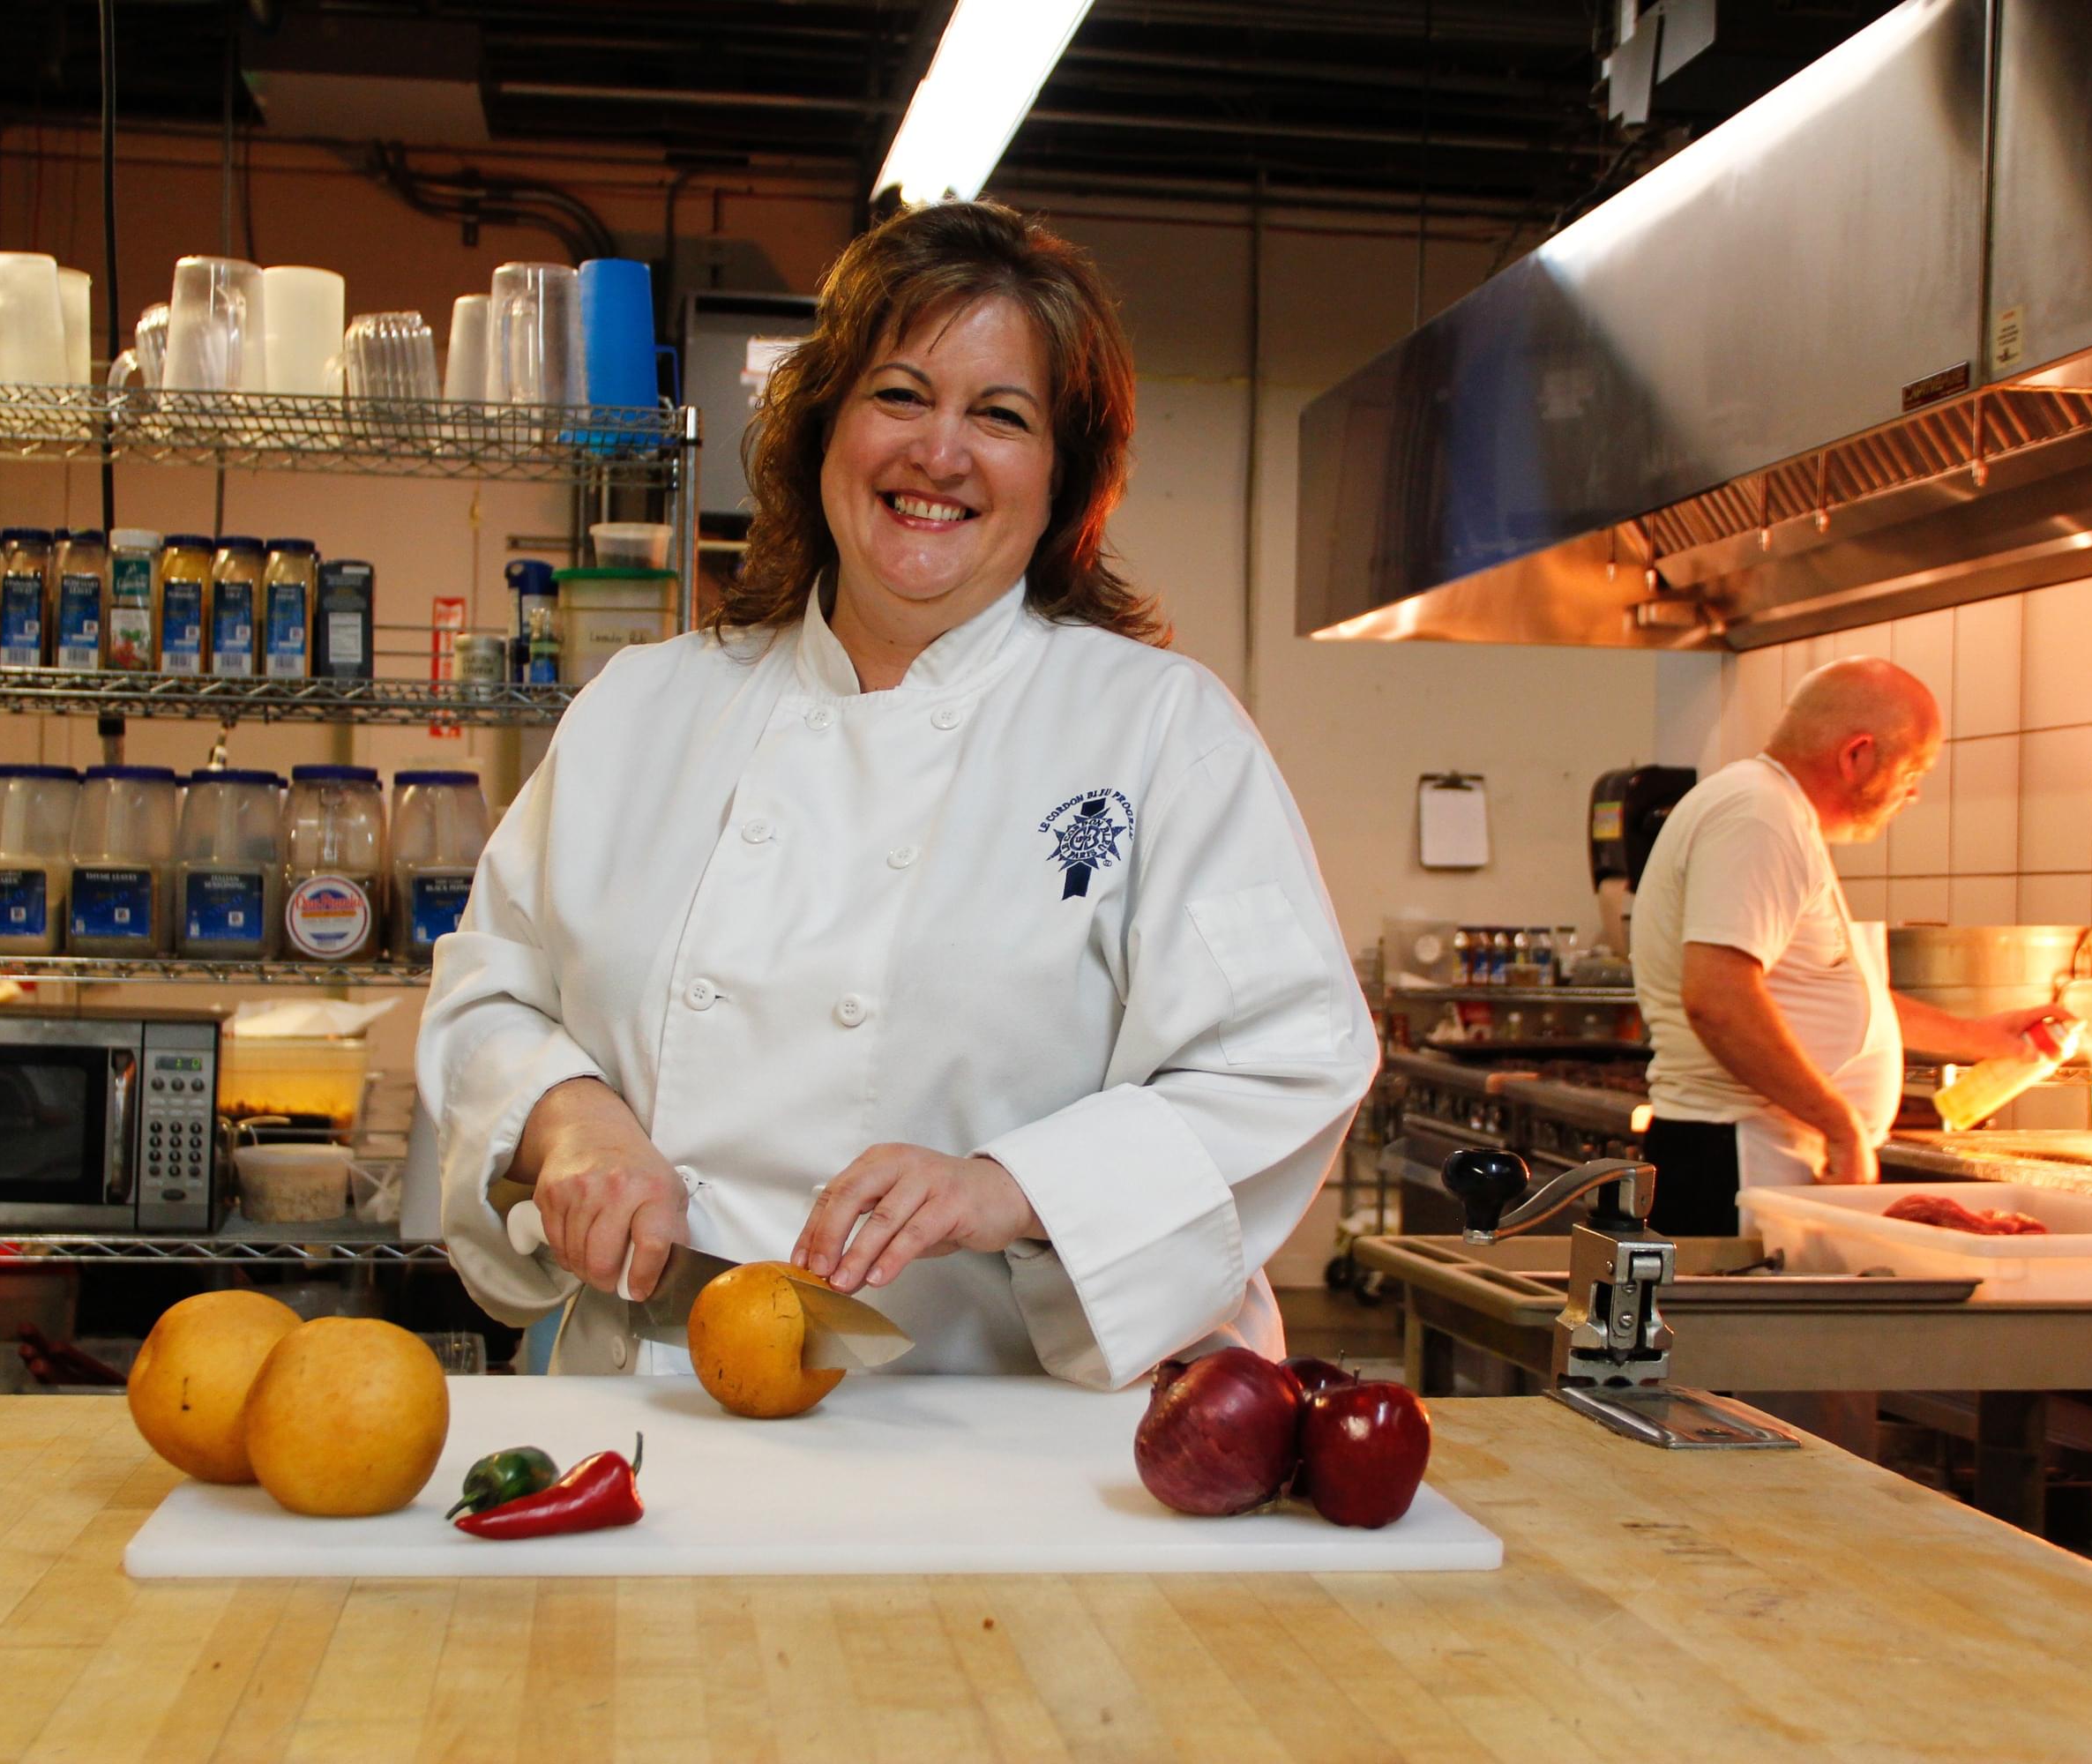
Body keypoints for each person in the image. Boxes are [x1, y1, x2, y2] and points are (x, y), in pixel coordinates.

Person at [417, 200, 1378, 1387]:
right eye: (900, 394)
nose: (940, 453)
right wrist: (571, 1119)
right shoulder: (642, 709)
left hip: (994, 1431)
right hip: (653, 1411)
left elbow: (1286, 1057)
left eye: (1001, 415)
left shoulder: (1159, 731)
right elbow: (491, 989)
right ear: (824, 426)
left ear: (1064, 477)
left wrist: (1012, 1186)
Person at [1629, 657, 2070, 1235]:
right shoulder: (1760, 816)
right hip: (1736, 1157)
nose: (1914, 793)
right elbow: (1718, 1000)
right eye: (1913, 770)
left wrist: (1978, 1038)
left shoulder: (1774, 811)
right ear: (1857, 754)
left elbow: (1812, 995)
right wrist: (1840, 1125)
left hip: (1752, 1153)